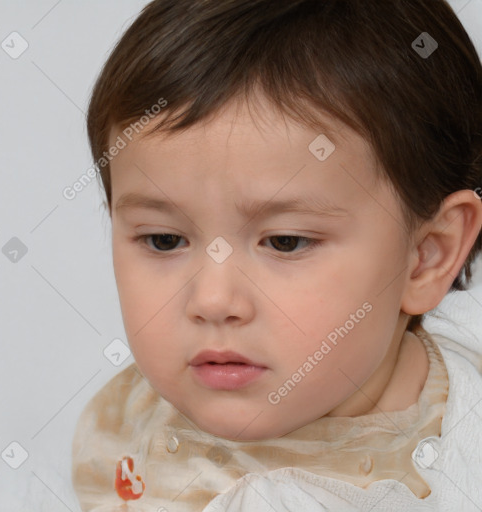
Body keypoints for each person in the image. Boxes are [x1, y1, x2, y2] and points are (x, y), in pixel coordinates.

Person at [71, 0, 482, 510]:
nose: (213, 300)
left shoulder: (462, 462)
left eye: (285, 242)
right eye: (164, 240)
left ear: (426, 255)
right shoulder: (123, 421)